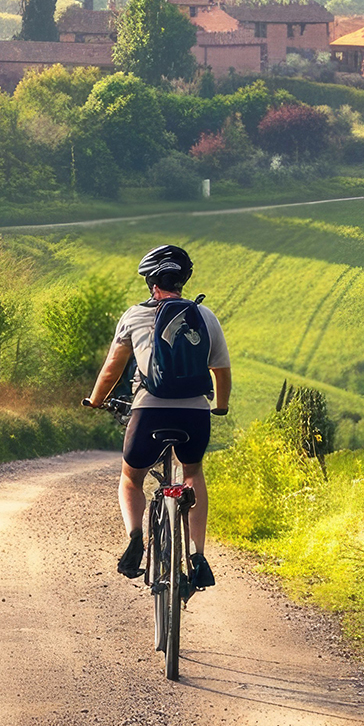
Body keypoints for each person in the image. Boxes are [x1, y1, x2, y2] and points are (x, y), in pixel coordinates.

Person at [85, 244, 231, 590]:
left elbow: (111, 370)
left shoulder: (134, 316)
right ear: (182, 282)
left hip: (149, 410)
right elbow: (221, 371)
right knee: (192, 471)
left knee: (131, 479)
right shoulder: (204, 316)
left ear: (152, 284)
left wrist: (95, 400)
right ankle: (197, 555)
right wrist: (220, 406)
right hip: (194, 413)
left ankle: (136, 539)